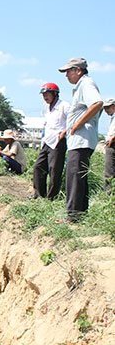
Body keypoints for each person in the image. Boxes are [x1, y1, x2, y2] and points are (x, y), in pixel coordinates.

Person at [58, 57, 103, 222]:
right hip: (80, 139)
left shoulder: (86, 83)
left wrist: (78, 124)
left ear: (78, 70)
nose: (66, 75)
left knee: (74, 176)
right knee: (79, 177)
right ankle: (80, 214)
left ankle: (72, 216)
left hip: (81, 139)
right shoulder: (81, 86)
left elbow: (97, 103)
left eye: (69, 71)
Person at [33, 83, 69, 199]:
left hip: (58, 142)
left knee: (54, 170)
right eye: (43, 95)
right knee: (38, 167)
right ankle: (39, 195)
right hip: (47, 141)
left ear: (55, 94)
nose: (45, 97)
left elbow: (75, 119)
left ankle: (51, 197)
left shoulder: (64, 106)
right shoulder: (46, 107)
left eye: (47, 94)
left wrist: (64, 132)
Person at [103, 98, 115, 193]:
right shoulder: (112, 118)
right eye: (105, 108)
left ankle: (108, 194)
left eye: (108, 107)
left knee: (109, 172)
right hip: (111, 144)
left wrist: (112, 138)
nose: (106, 110)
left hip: (113, 145)